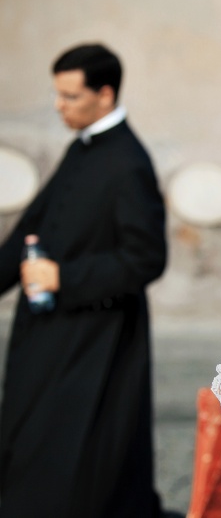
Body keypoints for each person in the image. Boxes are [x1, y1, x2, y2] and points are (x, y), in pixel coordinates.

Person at [0, 43, 167, 517]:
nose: (59, 106)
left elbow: (147, 258)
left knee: (76, 459)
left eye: (70, 96)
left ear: (105, 94)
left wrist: (64, 276)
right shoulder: (83, 147)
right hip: (55, 332)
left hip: (98, 341)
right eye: (58, 94)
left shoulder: (129, 161)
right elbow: (30, 229)